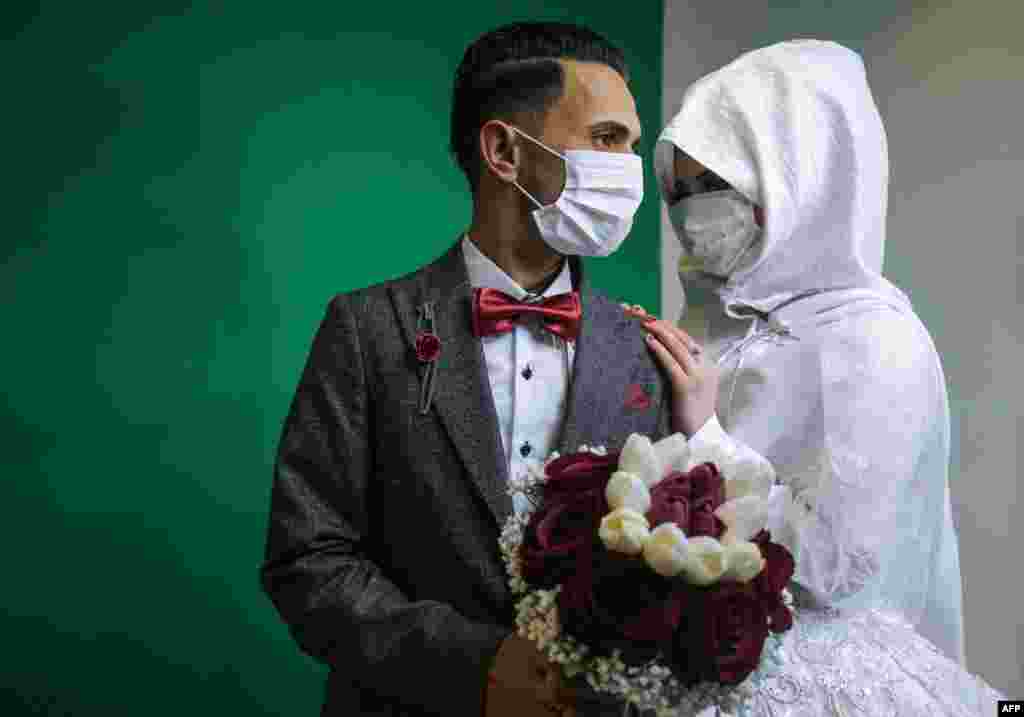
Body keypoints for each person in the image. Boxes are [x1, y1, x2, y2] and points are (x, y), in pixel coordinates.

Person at [259, 22, 711, 717]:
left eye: (630, 143)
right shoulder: (366, 329)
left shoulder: (646, 353)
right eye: (606, 138)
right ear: (503, 151)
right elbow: (307, 559)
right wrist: (473, 667)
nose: (628, 170)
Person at [637, 38, 1006, 714]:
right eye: (678, 191)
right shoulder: (716, 320)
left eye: (711, 184)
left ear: (801, 174)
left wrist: (706, 436)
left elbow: (835, 562)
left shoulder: (875, 340)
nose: (690, 212)